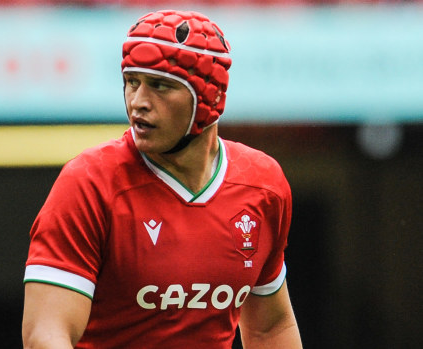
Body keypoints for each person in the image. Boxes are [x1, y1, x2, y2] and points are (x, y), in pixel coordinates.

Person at [22, 9, 302, 348]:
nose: (138, 102)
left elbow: (269, 327)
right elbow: (47, 335)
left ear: (210, 98)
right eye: (132, 82)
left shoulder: (262, 185)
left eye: (160, 86)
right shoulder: (88, 183)